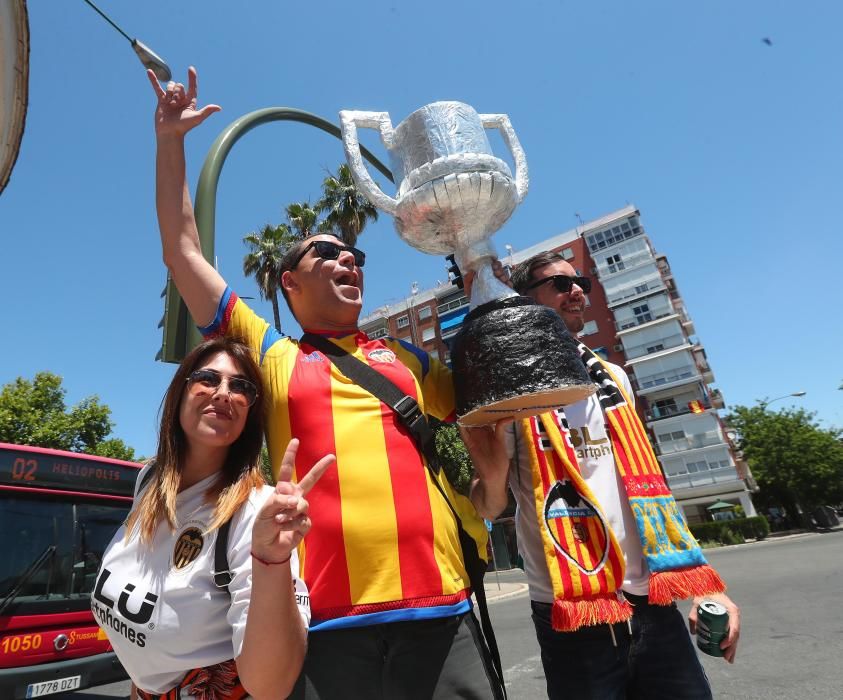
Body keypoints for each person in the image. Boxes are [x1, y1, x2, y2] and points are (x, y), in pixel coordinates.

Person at [147, 67, 504, 699]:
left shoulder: (409, 359)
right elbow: (182, 250)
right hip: (327, 627)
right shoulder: (272, 354)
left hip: (443, 613)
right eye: (327, 254)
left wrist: (481, 269)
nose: (348, 260)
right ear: (289, 283)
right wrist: (170, 140)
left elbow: (492, 402)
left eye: (356, 256)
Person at [466, 250, 741, 700]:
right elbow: (490, 506)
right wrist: (492, 474)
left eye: (581, 284)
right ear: (526, 301)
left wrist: (706, 588)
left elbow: (649, 488)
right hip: (573, 611)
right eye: (559, 284)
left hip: (653, 602)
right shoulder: (508, 387)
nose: (576, 291)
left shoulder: (613, 376)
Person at [93, 337, 334, 699]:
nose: (223, 393)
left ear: (249, 413)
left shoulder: (257, 511)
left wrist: (271, 558)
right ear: (180, 393)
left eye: (241, 387)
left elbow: (271, 687)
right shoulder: (149, 480)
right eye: (207, 378)